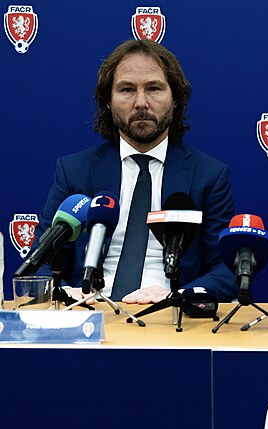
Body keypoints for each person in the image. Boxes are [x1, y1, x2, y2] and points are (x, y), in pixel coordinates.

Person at [35, 39, 238, 304]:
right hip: (91, 310)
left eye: (153, 88)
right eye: (127, 89)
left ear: (175, 99)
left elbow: (227, 269)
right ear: (108, 101)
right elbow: (40, 260)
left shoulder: (209, 175)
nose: (141, 102)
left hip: (168, 312)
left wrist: (178, 295)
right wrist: (62, 292)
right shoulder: (74, 171)